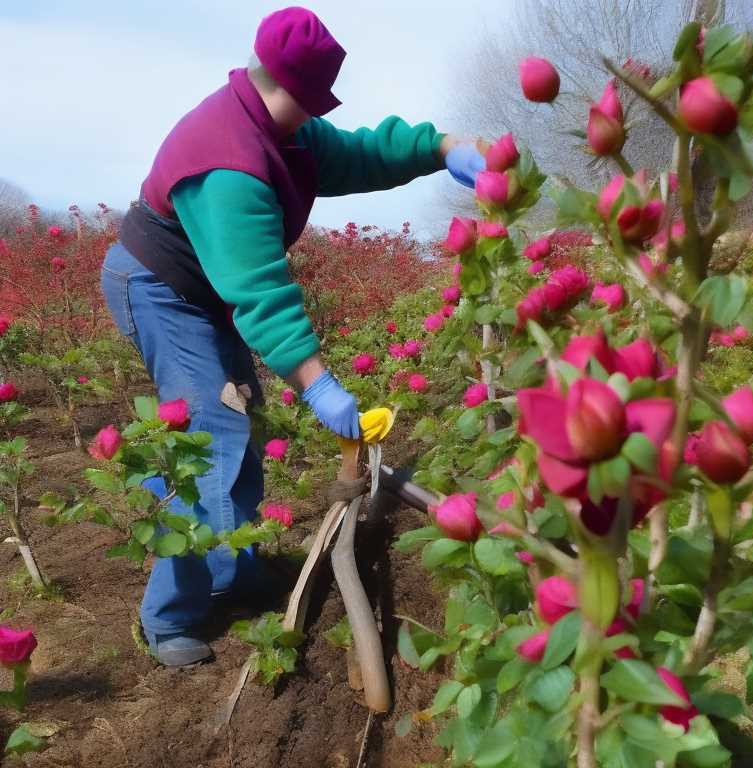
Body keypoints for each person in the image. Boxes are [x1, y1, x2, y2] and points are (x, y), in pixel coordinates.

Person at [101, 5, 486, 666]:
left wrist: (442, 147)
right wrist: (318, 385)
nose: (315, 118)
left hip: (205, 293)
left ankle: (235, 569)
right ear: (282, 87)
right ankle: (169, 615)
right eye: (309, 104)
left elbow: (364, 152)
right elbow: (259, 290)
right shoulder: (229, 161)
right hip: (160, 289)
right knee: (201, 442)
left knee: (237, 425)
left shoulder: (288, 131)